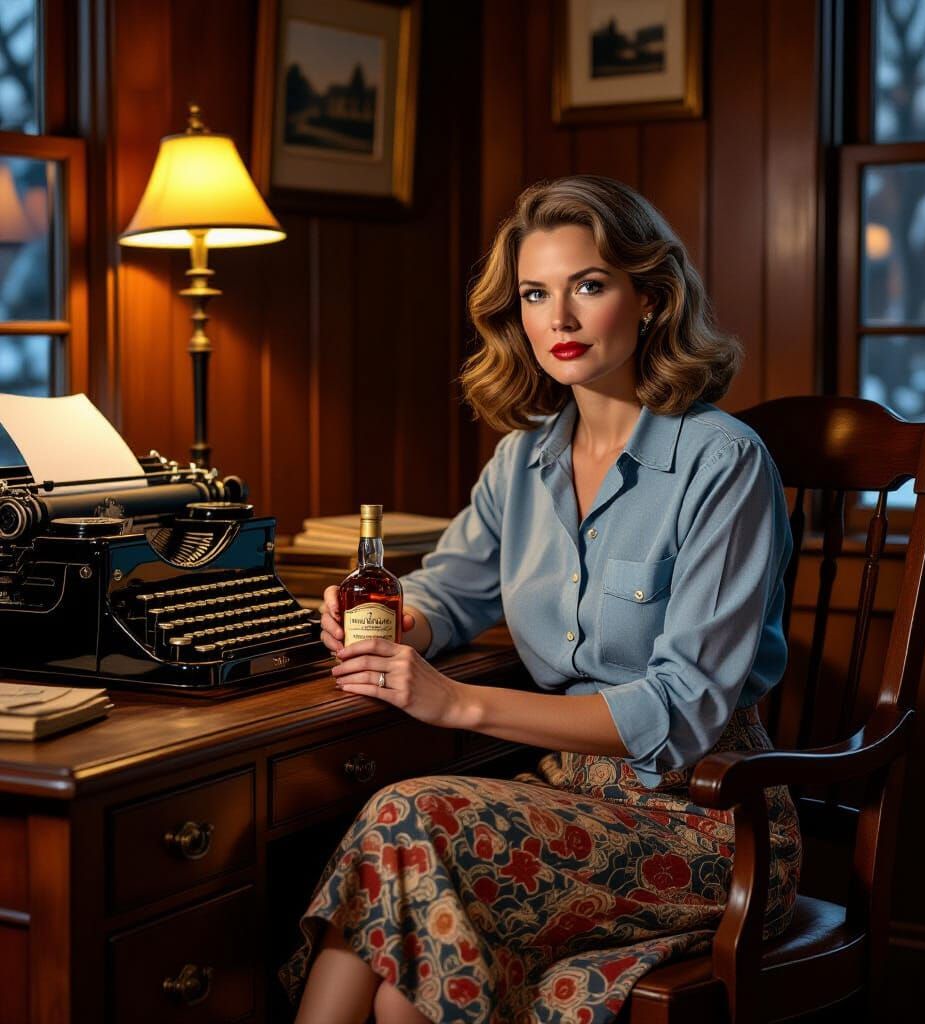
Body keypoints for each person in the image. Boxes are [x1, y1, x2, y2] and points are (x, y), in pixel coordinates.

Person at [283, 175, 801, 1024]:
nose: (558, 318)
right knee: (404, 987)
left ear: (650, 296)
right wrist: (388, 621)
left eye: (587, 286)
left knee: (408, 814)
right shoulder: (523, 460)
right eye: (534, 294)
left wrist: (460, 704)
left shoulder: (723, 461)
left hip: (708, 823)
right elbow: (447, 594)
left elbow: (683, 707)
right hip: (569, 801)